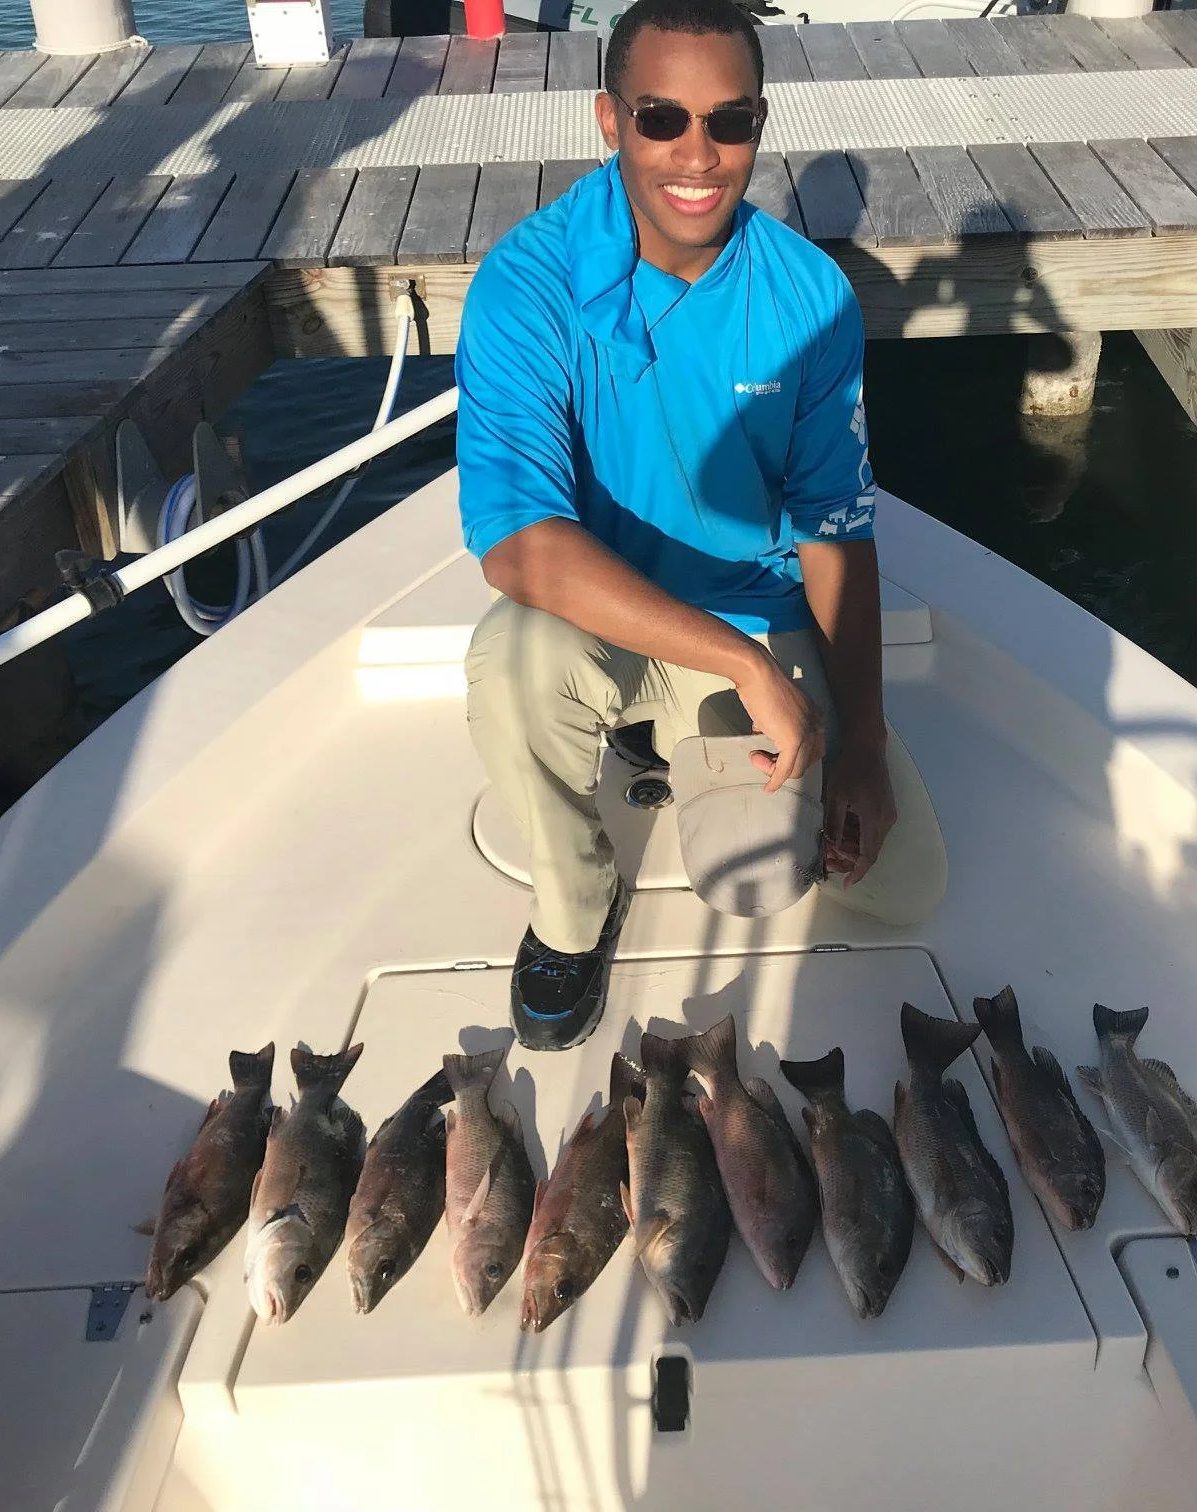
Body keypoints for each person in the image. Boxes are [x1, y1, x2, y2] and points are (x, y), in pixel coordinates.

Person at [455, 0, 947, 1052]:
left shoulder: (808, 295)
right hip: (619, 621)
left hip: (755, 619)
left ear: (761, 126)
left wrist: (862, 736)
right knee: (511, 660)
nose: (697, 153)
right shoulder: (524, 285)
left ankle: (679, 745)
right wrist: (744, 669)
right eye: (662, 117)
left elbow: (837, 528)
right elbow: (517, 544)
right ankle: (573, 910)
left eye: (730, 122)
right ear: (608, 119)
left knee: (897, 891)